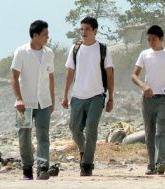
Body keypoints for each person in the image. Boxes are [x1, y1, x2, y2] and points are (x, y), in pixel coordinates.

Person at [61, 16, 114, 176]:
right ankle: (83, 150)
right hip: (77, 96)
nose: (84, 32)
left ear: (95, 31)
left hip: (97, 96)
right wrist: (65, 95)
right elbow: (69, 73)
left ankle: (87, 165)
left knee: (91, 129)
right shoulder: (75, 49)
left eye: (87, 29)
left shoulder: (103, 49)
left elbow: (110, 75)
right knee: (74, 128)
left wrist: (111, 97)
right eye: (82, 29)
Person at [131, 25, 165, 175]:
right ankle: (151, 164)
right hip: (147, 98)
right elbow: (134, 75)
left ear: (161, 39)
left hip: (164, 98)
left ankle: (161, 162)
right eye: (148, 39)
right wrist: (143, 86)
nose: (151, 42)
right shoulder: (144, 54)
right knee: (149, 132)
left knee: (161, 130)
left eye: (154, 39)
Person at [11, 20, 55, 180]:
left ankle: (43, 168)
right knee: (24, 137)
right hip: (24, 103)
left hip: (44, 102)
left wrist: (53, 100)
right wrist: (18, 99)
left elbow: (51, 77)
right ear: (35, 35)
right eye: (45, 35)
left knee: (43, 136)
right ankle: (27, 169)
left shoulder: (49, 53)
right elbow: (14, 78)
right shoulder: (21, 52)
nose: (47, 37)